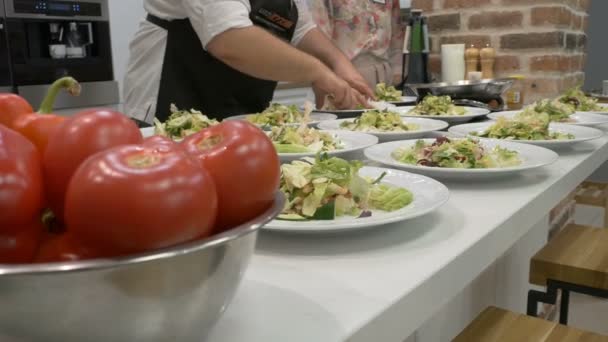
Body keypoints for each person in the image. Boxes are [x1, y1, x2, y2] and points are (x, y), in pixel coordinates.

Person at [123, 0, 375, 123]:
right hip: (174, 92)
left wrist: (339, 63)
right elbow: (229, 39)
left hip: (238, 109)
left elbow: (298, 26)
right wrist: (319, 73)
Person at [307, 0, 406, 89]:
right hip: (344, 79)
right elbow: (318, 43)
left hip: (386, 78)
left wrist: (397, 77)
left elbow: (397, 37)